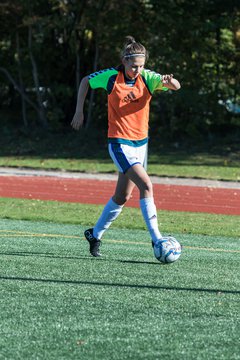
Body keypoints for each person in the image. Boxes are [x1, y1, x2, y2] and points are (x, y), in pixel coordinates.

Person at [71, 36, 181, 257]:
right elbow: (85, 81)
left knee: (122, 196)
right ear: (123, 61)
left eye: (141, 66)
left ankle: (95, 234)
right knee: (147, 185)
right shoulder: (111, 77)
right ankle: (157, 239)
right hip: (120, 143)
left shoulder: (148, 77)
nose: (137, 70)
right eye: (133, 66)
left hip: (141, 145)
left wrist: (169, 82)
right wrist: (79, 111)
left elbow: (177, 86)